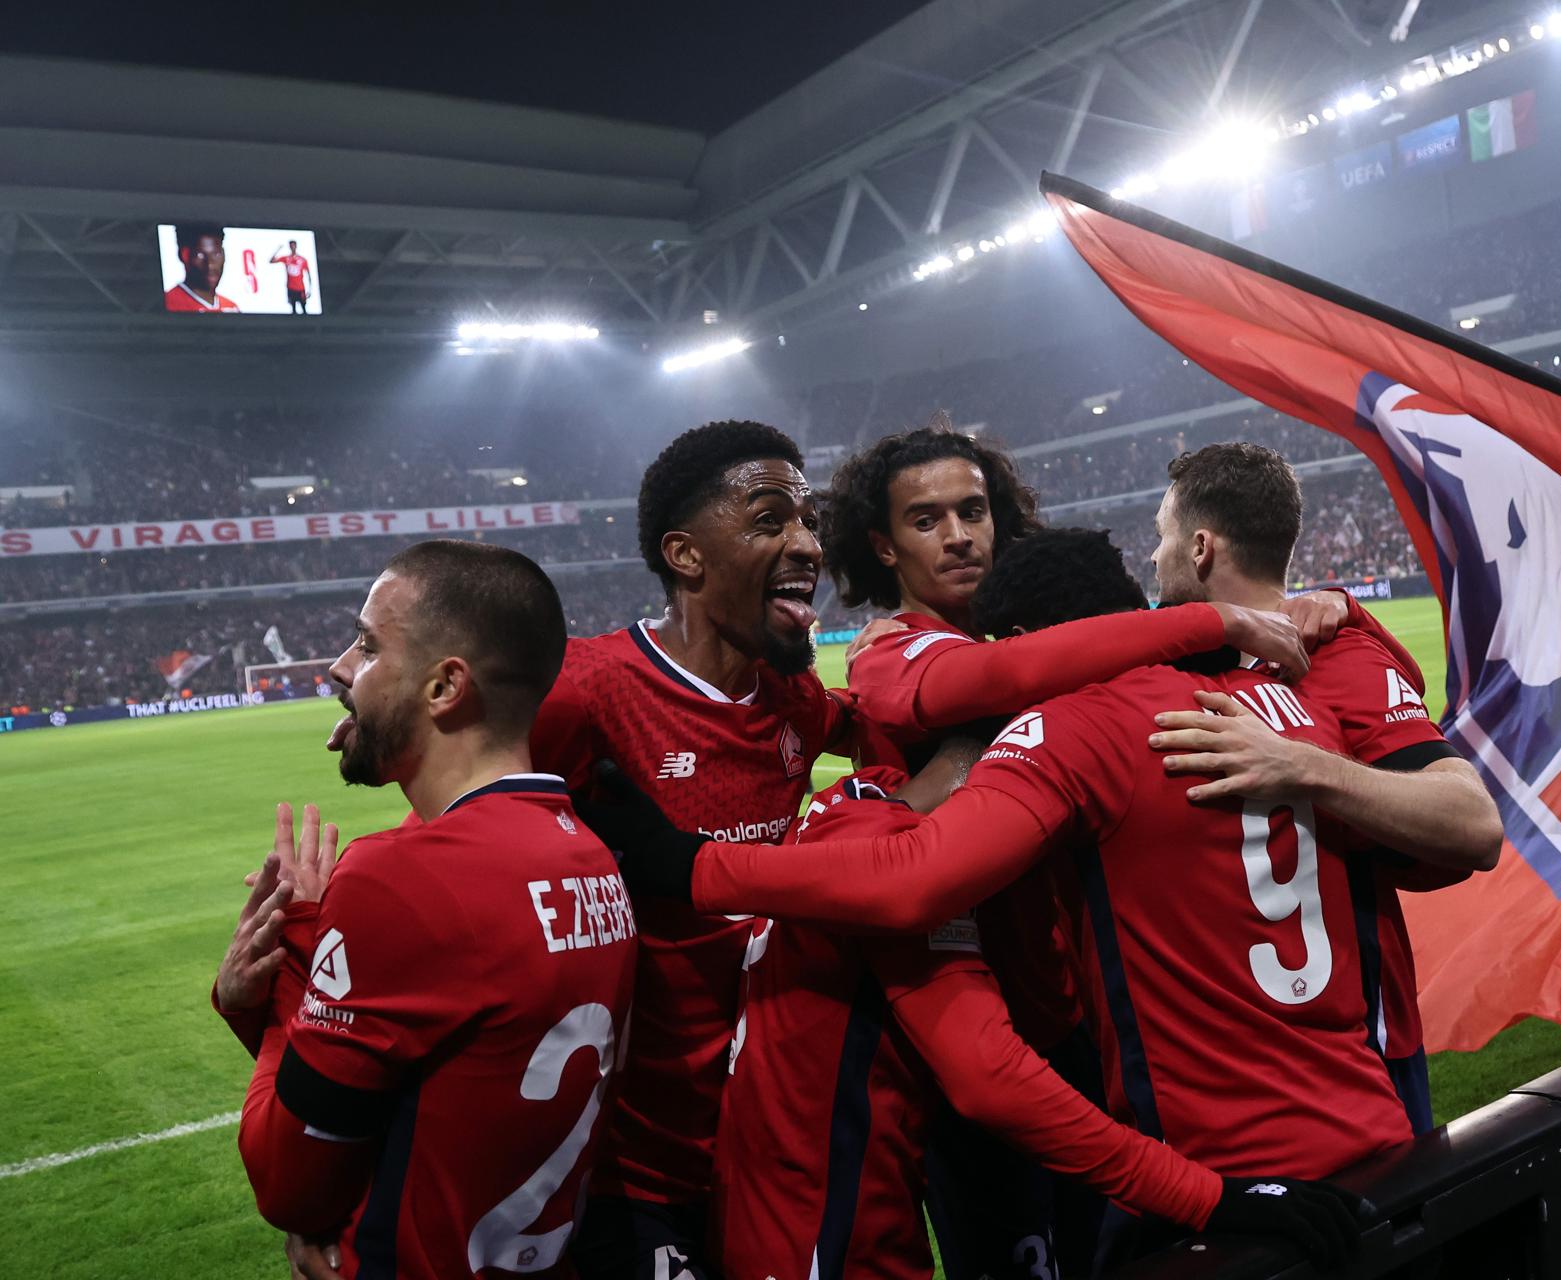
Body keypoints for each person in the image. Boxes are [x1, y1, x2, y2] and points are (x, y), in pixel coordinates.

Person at [607, 527, 1464, 1256]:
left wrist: (682, 864)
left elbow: (916, 881)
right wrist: (1350, 614)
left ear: (1016, 643)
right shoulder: (1283, 712)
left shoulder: (1072, 728)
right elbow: (1450, 845)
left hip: (1223, 1176)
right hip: (1376, 1129)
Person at [819, 420, 1327, 1277]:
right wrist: (1208, 618)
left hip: (1081, 1015)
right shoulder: (893, 654)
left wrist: (1319, 605)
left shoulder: (1030, 635)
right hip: (976, 1016)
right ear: (883, 545)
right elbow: (997, 682)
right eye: (926, 520)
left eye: (973, 510)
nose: (957, 535)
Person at [703, 736, 1368, 1280]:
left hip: (769, 1212)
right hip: (827, 1243)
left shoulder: (846, 803)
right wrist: (1210, 1196)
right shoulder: (906, 862)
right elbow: (992, 1081)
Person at [211, 539, 636, 1278]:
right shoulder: (592, 860)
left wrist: (284, 982)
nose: (342, 668)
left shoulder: (398, 881)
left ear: (444, 688)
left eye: (370, 647)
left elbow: (290, 1185)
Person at [529, 420, 854, 1280]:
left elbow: (894, 732)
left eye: (809, 519)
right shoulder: (585, 694)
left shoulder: (791, 690)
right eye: (770, 518)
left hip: (773, 1139)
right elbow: (458, 844)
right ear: (687, 555)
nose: (807, 543)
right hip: (635, 1160)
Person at [1144, 443, 1503, 1133]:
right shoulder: (1179, 664)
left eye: (1160, 541)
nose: (1153, 561)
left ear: (1199, 548)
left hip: (1357, 1057)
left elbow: (1473, 824)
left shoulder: (1338, 658)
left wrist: (1303, 765)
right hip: (1229, 1070)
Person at [164, 222, 242, 312]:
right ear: (183, 255)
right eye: (200, 255)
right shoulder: (169, 303)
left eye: (216, 254)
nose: (210, 265)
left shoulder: (231, 307)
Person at [270, 240, 314, 314]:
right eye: (291, 246)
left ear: (296, 246)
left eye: (293, 245)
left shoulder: (302, 260)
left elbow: (308, 274)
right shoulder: (286, 258)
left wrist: (310, 289)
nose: (292, 247)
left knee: (303, 308)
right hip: (291, 287)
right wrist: (278, 249)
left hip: (300, 288)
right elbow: (271, 261)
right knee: (293, 308)